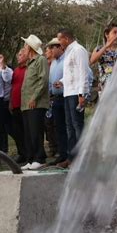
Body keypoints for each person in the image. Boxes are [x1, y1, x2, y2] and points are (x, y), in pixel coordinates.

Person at [57, 28, 90, 168]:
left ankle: (82, 158)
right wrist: (62, 81)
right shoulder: (68, 52)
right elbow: (72, 73)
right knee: (70, 127)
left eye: (60, 39)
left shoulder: (78, 50)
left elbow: (83, 72)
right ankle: (72, 158)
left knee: (78, 126)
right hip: (68, 92)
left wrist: (82, 94)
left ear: (66, 38)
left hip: (76, 93)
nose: (59, 43)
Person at [20, 34, 49, 170]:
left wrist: (34, 97)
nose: (24, 48)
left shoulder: (40, 60)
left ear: (30, 48)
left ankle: (40, 157)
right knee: (28, 132)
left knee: (36, 131)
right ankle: (30, 159)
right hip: (26, 104)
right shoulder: (29, 63)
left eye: (25, 45)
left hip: (36, 103)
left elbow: (43, 81)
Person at [46, 38, 69, 166]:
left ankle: (70, 154)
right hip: (55, 98)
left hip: (66, 96)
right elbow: (50, 81)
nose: (50, 50)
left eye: (53, 48)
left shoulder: (67, 60)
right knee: (58, 127)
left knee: (67, 127)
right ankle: (62, 154)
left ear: (60, 47)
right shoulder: (54, 63)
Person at [90, 23, 117, 93]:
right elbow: (92, 61)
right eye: (115, 32)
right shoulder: (99, 49)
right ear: (106, 34)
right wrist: (106, 46)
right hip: (104, 89)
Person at [9, 48, 28, 164]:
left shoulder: (29, 69)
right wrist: (10, 102)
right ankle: (21, 153)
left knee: (26, 130)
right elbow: (12, 87)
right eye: (18, 55)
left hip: (25, 104)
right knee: (17, 131)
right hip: (15, 104)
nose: (19, 57)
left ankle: (29, 152)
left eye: (21, 55)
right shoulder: (15, 70)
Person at [44, 45, 57, 157]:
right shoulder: (46, 65)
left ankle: (57, 147)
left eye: (47, 51)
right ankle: (52, 147)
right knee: (48, 124)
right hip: (47, 98)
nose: (46, 53)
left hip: (55, 95)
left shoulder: (57, 63)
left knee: (56, 123)